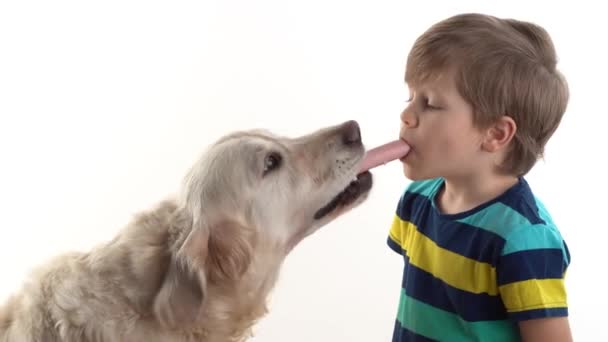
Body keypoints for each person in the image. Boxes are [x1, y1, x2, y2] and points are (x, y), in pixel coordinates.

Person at [387, 13, 572, 341]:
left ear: (496, 133)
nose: (406, 115)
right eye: (411, 97)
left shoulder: (523, 239)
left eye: (429, 103)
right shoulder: (416, 200)